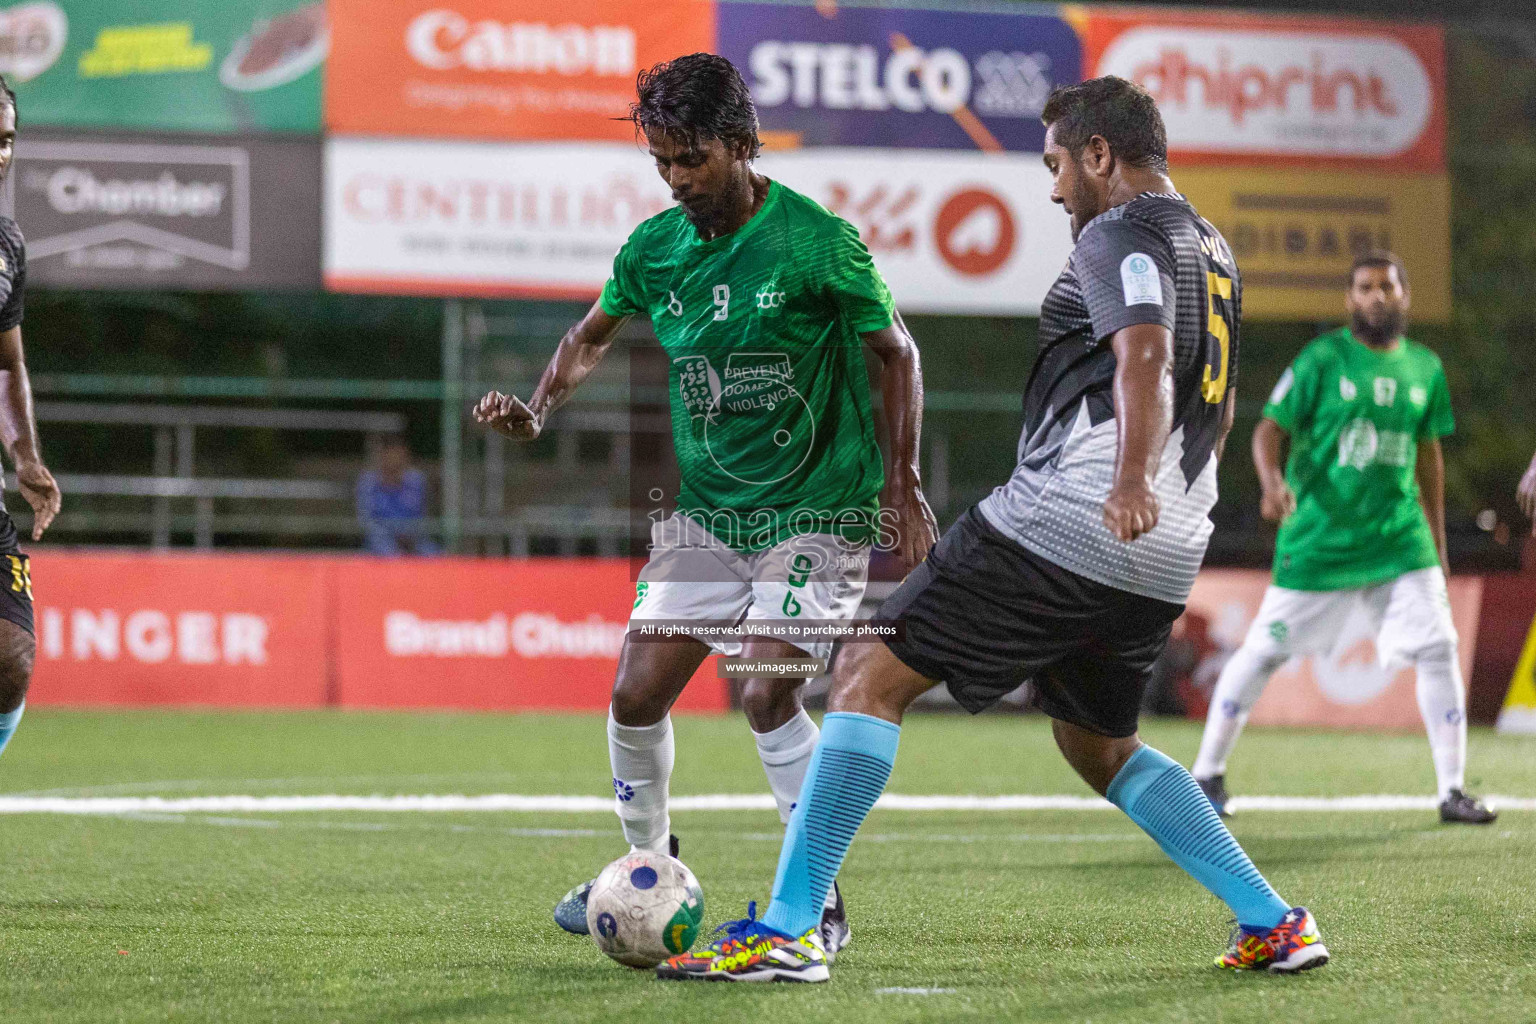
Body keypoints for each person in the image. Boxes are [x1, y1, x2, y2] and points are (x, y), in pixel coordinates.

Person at [659, 76, 1327, 982]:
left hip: (1077, 515)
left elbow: (1145, 355)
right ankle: (1273, 919)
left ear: (1100, 155)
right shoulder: (1210, 245)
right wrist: (1156, 494)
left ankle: (788, 927)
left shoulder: (1119, 231)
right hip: (1171, 543)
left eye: (1056, 164)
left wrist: (1128, 478)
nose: (1053, 189)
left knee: (863, 674)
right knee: (1098, 744)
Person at [473, 53, 936, 958]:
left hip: (819, 510)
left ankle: (816, 896)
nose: (679, 180)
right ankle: (647, 869)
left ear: (737, 143)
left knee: (766, 691)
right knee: (634, 693)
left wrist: (903, 482)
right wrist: (537, 409)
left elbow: (897, 354)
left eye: (693, 160)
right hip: (711, 519)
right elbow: (586, 337)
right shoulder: (655, 249)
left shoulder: (815, 241)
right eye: (663, 164)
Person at [1191, 253, 1494, 826]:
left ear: (1404, 295)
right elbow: (1267, 430)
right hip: (1321, 542)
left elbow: (1428, 459)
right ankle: (1207, 773)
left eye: (1387, 286)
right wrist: (1272, 482)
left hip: (1400, 543)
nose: (1377, 295)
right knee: (1261, 653)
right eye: (1365, 287)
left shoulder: (1426, 368)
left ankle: (1452, 790)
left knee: (1438, 648)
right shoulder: (1322, 359)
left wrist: (1437, 542)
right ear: (1350, 299)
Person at [0, 75, 63, 765]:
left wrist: (24, 454)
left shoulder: (6, 246)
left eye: (8, 141)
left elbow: (6, 362)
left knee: (11, 655)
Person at [356, 435, 438, 556]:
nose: (394, 458)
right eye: (390, 453)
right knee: (389, 553)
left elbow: (421, 515)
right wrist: (391, 535)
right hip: (380, 540)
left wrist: (408, 534)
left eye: (398, 454)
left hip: (413, 538)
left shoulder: (416, 481)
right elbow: (366, 520)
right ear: (382, 455)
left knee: (433, 555)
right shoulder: (368, 482)